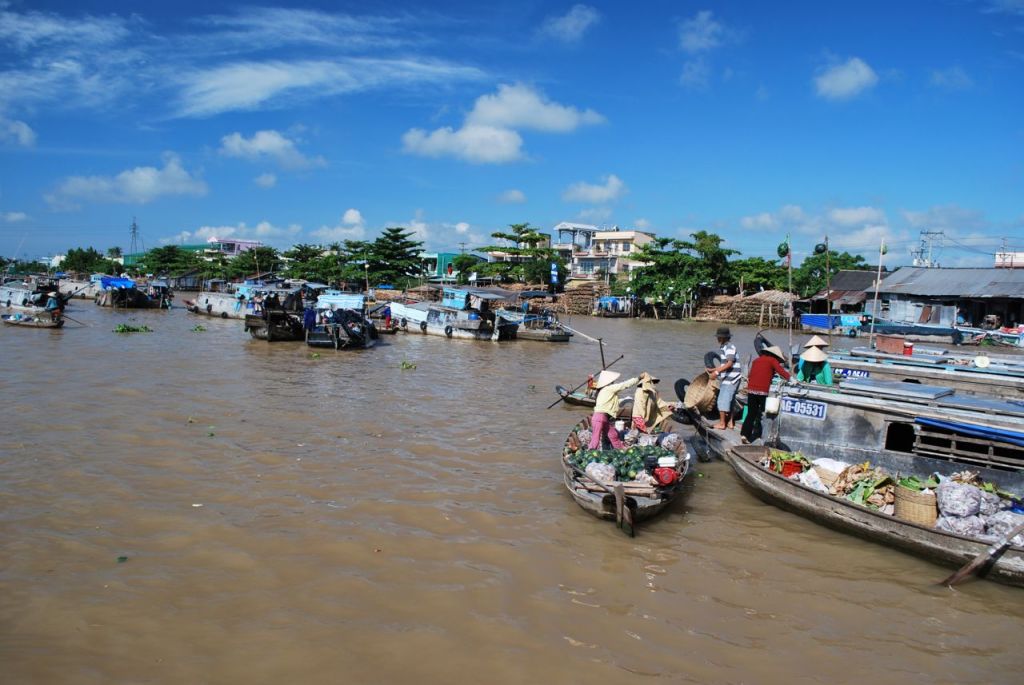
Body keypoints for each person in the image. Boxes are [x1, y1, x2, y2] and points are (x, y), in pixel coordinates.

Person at [741, 345, 791, 444]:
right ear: (774, 355)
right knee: (765, 413)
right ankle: (764, 435)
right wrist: (790, 378)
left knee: (751, 414)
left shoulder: (756, 360)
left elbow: (750, 375)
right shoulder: (772, 361)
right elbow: (781, 372)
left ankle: (744, 434)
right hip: (763, 391)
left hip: (751, 390)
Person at [587, 370, 639, 450]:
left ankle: (620, 449)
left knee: (613, 434)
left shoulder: (601, 390)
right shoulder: (609, 388)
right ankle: (590, 452)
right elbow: (624, 385)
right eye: (612, 381)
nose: (613, 382)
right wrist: (638, 378)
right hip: (599, 417)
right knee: (595, 438)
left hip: (604, 418)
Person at [707, 326, 741, 430]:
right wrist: (714, 370)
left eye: (718, 337)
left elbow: (729, 363)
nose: (717, 339)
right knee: (730, 401)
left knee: (722, 400)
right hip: (734, 377)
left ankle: (722, 424)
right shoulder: (725, 347)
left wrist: (717, 372)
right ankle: (730, 422)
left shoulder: (729, 347)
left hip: (731, 379)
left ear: (722, 338)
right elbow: (726, 363)